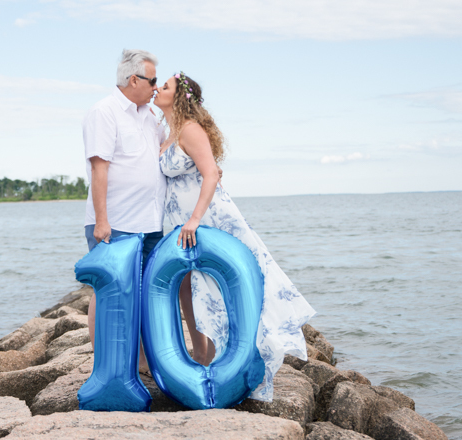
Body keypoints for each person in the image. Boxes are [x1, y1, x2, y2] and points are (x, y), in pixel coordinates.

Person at [152, 71, 316, 401]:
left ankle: (236, 351)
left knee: (218, 283)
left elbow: (211, 173)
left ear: (180, 96)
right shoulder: (165, 133)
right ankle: (201, 350)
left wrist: (195, 220)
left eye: (164, 86)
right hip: (177, 219)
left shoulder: (190, 130)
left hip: (206, 217)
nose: (157, 89)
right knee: (184, 283)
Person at [82, 49, 166, 358]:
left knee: (142, 294)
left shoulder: (150, 116)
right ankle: (104, 361)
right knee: (107, 291)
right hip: (114, 223)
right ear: (134, 79)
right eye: (153, 80)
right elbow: (99, 167)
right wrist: (102, 221)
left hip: (149, 223)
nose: (156, 86)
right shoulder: (104, 112)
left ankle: (140, 361)